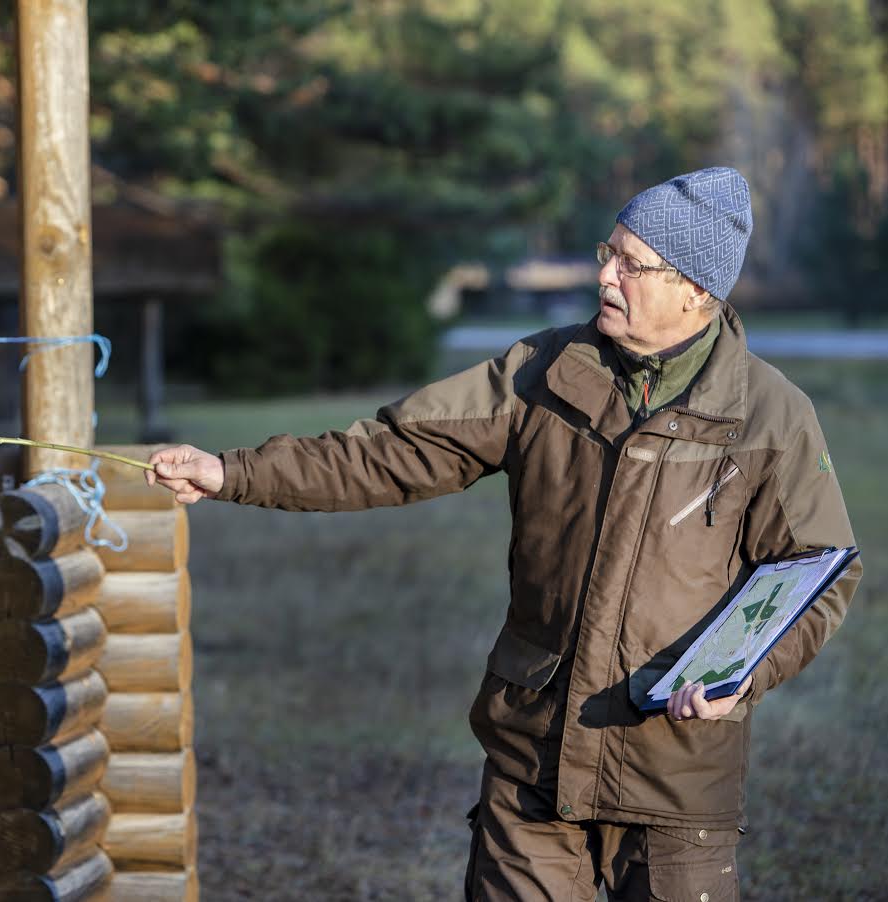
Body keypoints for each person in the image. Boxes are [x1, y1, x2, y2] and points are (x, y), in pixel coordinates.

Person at [145, 167, 861, 901]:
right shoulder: (540, 373)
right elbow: (387, 452)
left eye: (630, 264)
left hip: (675, 777)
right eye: (604, 253)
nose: (605, 277)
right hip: (532, 765)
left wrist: (737, 674)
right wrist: (229, 472)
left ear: (696, 292)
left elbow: (815, 570)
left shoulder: (772, 418)